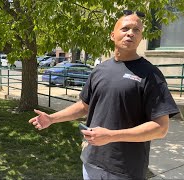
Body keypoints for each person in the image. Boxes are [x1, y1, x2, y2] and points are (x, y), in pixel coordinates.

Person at [29, 11, 179, 179]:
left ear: (141, 37)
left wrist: (111, 136)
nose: (130, 33)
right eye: (125, 28)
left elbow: (161, 128)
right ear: (112, 35)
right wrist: (51, 119)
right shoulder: (100, 70)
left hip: (125, 169)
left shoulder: (151, 75)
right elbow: (83, 106)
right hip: (91, 162)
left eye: (136, 30)